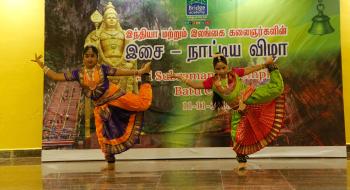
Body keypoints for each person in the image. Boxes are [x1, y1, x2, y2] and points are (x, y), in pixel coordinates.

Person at [31, 45, 152, 171]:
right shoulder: (78, 74)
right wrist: (41, 65)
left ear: (97, 58)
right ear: (83, 58)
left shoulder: (103, 69)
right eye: (87, 56)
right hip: (100, 106)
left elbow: (120, 72)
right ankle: (110, 159)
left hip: (116, 97)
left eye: (92, 56)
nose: (89, 59)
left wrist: (139, 72)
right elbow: (56, 76)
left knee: (143, 104)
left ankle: (146, 78)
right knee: (101, 135)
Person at [172, 54, 285, 170]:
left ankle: (272, 67)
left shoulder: (234, 73)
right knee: (237, 137)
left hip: (249, 97)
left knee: (276, 89)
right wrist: (179, 77)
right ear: (214, 69)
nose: (221, 71)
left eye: (223, 68)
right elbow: (195, 85)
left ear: (227, 66)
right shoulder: (213, 82)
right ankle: (242, 162)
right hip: (238, 110)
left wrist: (265, 65)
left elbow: (249, 70)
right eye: (218, 69)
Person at [85, 2, 137, 93]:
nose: (111, 20)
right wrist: (94, 42)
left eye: (113, 17)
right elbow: (88, 48)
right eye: (109, 17)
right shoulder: (97, 34)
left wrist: (130, 63)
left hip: (122, 64)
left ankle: (125, 101)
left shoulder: (125, 34)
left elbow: (132, 50)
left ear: (117, 19)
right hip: (104, 64)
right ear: (104, 20)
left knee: (127, 80)